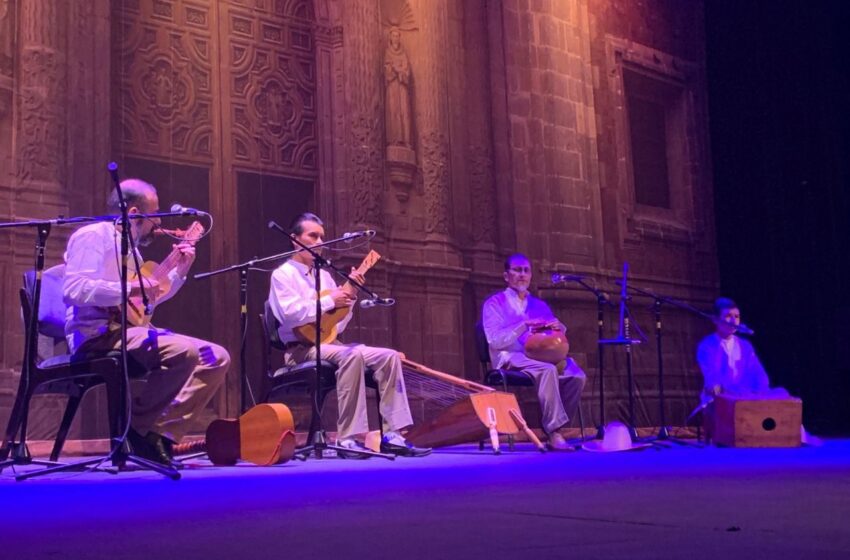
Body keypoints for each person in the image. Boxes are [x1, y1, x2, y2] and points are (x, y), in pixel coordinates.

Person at [63, 179, 230, 467]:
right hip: (97, 334)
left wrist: (180, 270)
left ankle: (158, 434)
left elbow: (146, 304)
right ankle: (140, 430)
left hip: (130, 331)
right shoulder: (93, 236)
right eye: (155, 215)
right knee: (184, 351)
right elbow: (74, 289)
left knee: (216, 356)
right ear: (136, 212)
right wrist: (132, 289)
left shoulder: (133, 250)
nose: (157, 223)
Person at [267, 213, 430, 458]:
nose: (320, 241)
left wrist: (349, 299)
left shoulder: (324, 275)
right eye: (313, 236)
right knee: (351, 355)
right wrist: (330, 299)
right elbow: (291, 315)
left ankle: (393, 434)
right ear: (295, 240)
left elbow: (336, 327)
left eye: (322, 236)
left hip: (330, 343)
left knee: (388, 356)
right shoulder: (283, 275)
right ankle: (347, 438)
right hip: (299, 348)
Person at [481, 253, 586, 450]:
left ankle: (556, 427)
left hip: (541, 355)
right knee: (547, 370)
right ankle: (554, 433)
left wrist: (559, 328)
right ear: (506, 276)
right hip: (510, 357)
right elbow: (495, 341)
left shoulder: (539, 305)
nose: (522, 275)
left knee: (576, 376)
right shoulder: (494, 303)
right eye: (517, 270)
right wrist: (523, 325)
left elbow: (553, 336)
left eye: (526, 270)